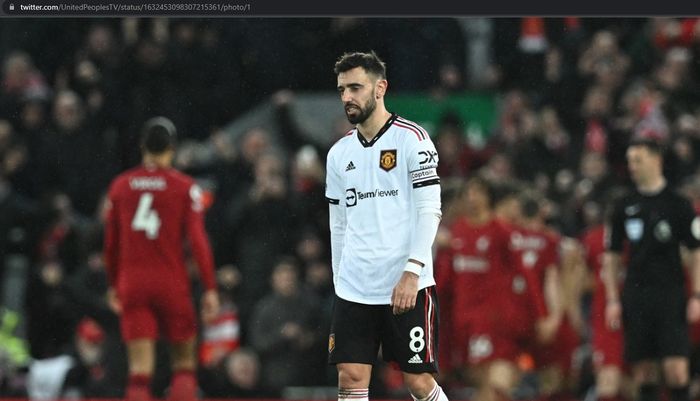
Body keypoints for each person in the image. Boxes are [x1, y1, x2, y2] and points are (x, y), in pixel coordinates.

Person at [325, 51, 448, 401]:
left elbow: (430, 211)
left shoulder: (413, 139)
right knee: (350, 378)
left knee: (418, 382)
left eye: (355, 88)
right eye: (341, 90)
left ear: (380, 88)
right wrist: (339, 280)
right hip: (355, 287)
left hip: (405, 283)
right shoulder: (338, 154)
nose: (347, 97)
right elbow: (338, 223)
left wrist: (412, 270)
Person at [103, 116, 220, 401]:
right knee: (183, 365)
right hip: (171, 281)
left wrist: (113, 284)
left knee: (140, 372)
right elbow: (197, 241)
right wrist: (209, 287)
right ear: (173, 148)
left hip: (133, 282)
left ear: (143, 146)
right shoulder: (184, 187)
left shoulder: (121, 186)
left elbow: (111, 244)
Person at [603, 138, 700, 401]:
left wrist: (697, 295)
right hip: (636, 294)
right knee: (644, 372)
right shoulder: (623, 205)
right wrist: (613, 298)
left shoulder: (678, 204)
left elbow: (695, 251)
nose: (632, 166)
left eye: (638, 160)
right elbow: (611, 256)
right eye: (630, 160)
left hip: (671, 294)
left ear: (656, 160)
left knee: (676, 370)